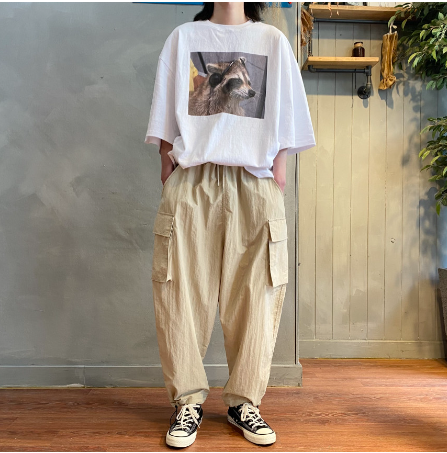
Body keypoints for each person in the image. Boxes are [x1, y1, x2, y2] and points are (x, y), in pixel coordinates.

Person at [144, 1, 315, 448]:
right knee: (179, 289)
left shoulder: (272, 41)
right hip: (193, 177)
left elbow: (288, 114)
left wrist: (278, 170)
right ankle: (187, 402)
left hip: (253, 179)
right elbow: (164, 112)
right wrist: (167, 164)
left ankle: (245, 402)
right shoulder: (184, 38)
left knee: (258, 291)